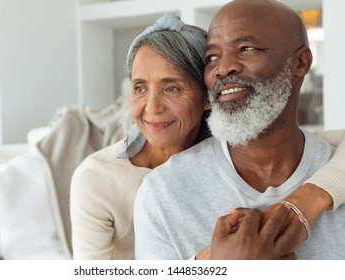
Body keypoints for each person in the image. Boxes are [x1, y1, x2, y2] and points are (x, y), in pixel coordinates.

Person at [71, 12, 345, 260]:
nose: (152, 108)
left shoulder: (330, 162)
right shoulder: (149, 189)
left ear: (206, 97)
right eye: (139, 87)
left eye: (172, 88)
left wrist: (307, 201)